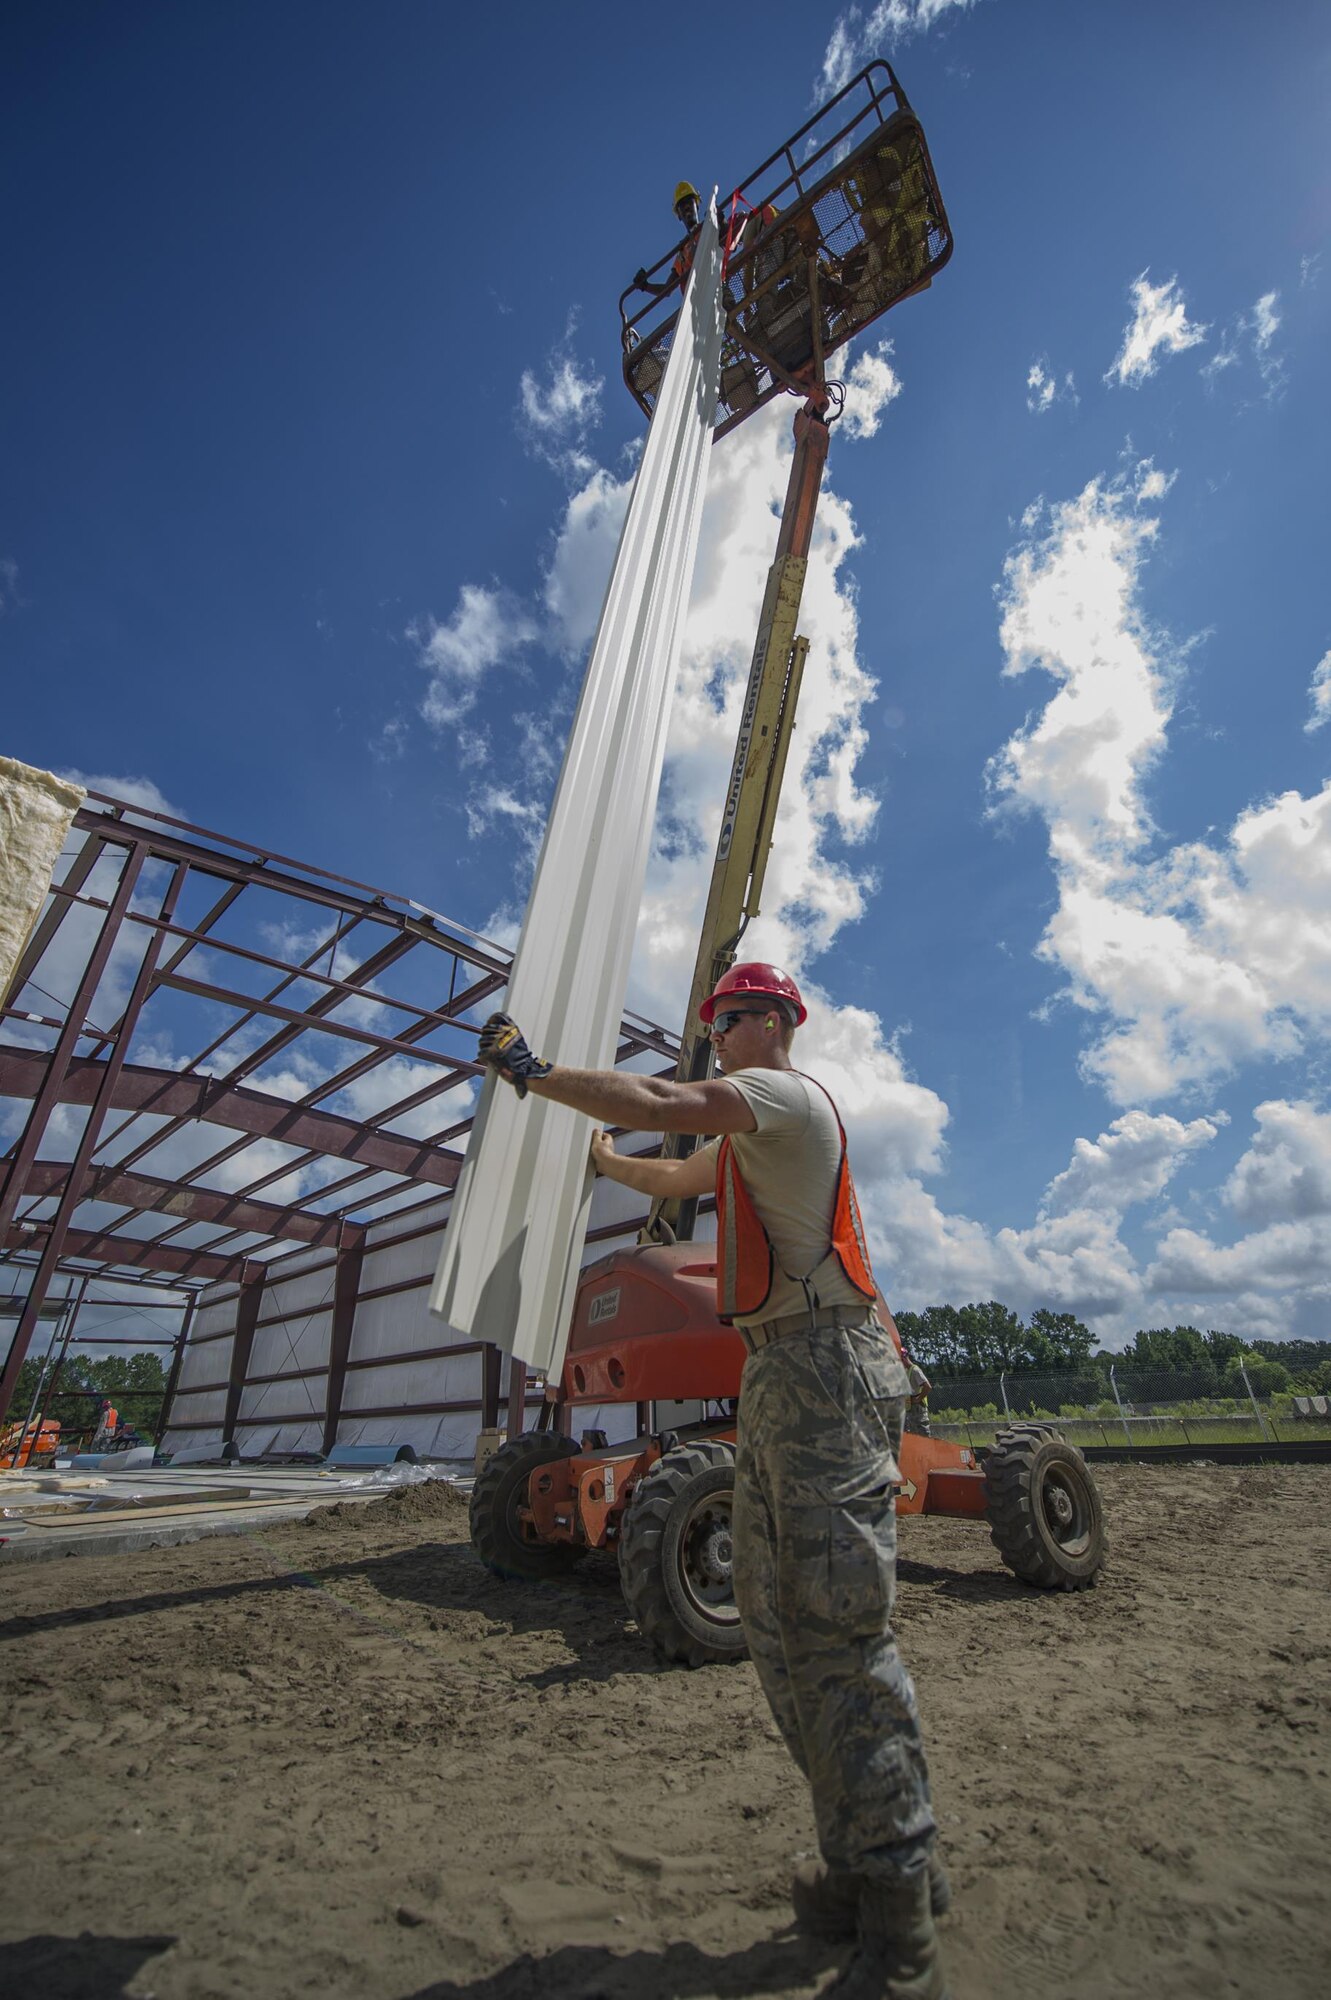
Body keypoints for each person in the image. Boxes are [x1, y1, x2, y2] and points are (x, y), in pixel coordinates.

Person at [476, 963, 950, 2000]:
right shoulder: (742, 1147)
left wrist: (534, 1071)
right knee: (778, 1631)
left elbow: (660, 1100)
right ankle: (853, 1858)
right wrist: (598, 1153)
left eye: (722, 1021)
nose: (712, 1037)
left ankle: (902, 1904)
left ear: (768, 1022)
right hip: (779, 1371)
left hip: (827, 1365)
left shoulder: (780, 1096)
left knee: (841, 1633)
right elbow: (663, 1169)